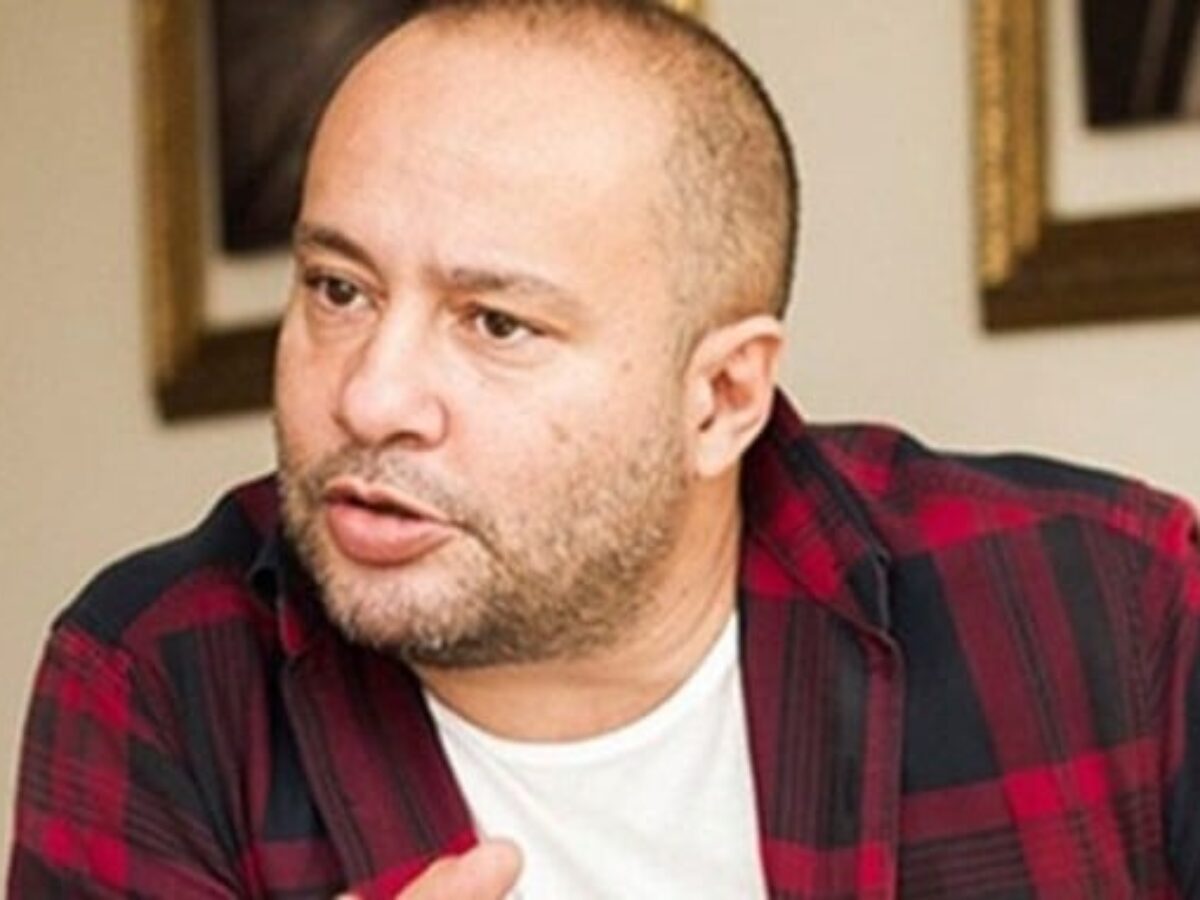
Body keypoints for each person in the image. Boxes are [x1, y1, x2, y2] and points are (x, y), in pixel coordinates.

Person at [9, 0, 1200, 897]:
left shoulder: (1113, 606)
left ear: (721, 398)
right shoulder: (162, 679)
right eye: (339, 289)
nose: (371, 397)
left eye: (496, 323)